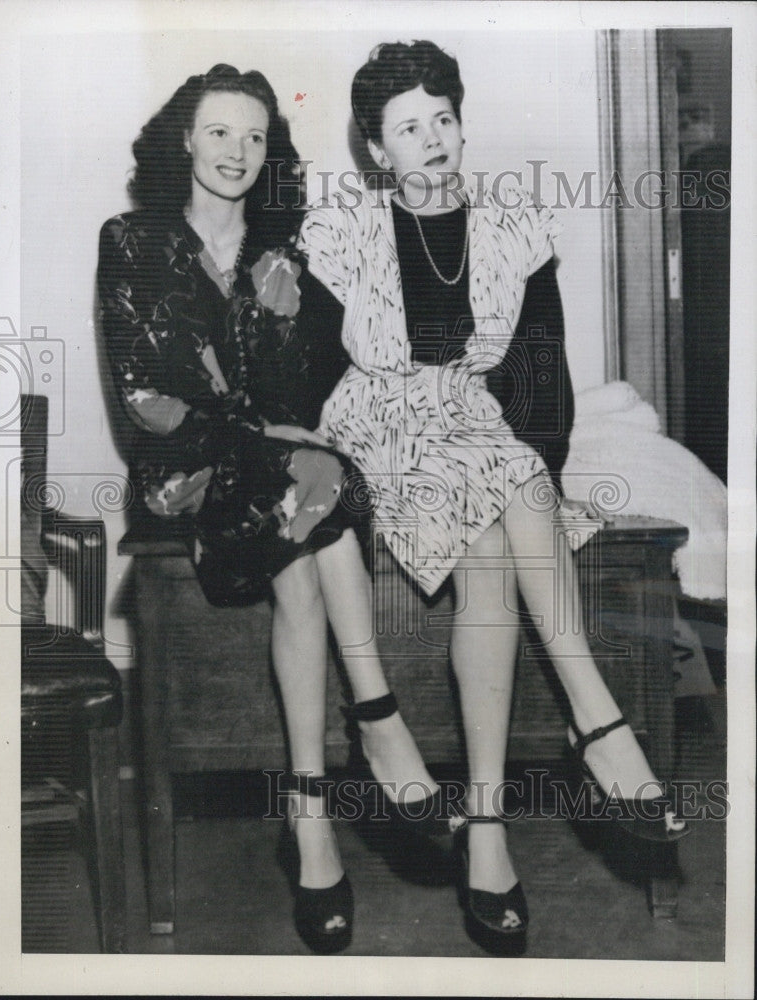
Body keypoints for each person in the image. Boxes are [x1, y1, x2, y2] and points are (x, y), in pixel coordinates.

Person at [298, 40, 690, 956]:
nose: (432, 139)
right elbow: (312, 375)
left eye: (443, 118)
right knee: (505, 477)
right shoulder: (341, 229)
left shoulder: (514, 225)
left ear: (461, 124)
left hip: (476, 431)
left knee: (510, 487)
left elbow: (539, 380)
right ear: (375, 149)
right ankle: (597, 725)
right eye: (407, 127)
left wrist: (540, 478)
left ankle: (487, 824)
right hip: (379, 422)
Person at [97, 63, 450, 955]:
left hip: (280, 477)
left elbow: (295, 383)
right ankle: (378, 722)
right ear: (184, 139)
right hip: (181, 471)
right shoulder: (132, 240)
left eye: (256, 136)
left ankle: (310, 820)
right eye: (220, 132)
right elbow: (148, 394)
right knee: (314, 478)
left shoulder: (283, 247)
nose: (238, 152)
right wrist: (260, 427)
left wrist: (281, 421)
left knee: (305, 552)